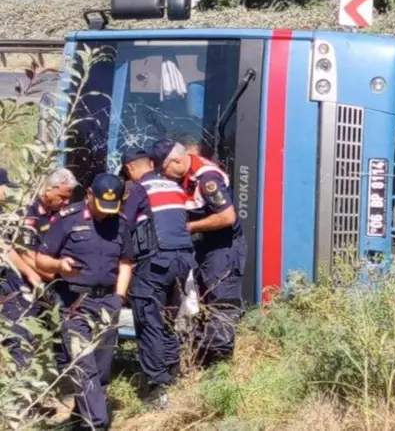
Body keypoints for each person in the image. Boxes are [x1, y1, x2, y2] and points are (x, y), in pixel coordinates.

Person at [35, 173, 134, 431]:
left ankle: (81, 420)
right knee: (84, 365)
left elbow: (125, 262)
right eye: (101, 207)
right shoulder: (67, 219)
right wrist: (59, 265)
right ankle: (98, 424)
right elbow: (41, 260)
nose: (105, 214)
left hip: (107, 304)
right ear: (90, 195)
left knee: (100, 372)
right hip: (74, 304)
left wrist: (119, 297)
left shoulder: (120, 222)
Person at [151, 139, 245, 368]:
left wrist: (190, 228)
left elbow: (227, 217)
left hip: (224, 247)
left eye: (165, 169)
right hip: (206, 247)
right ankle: (202, 362)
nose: (166, 175)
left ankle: (219, 368)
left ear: (177, 161)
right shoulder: (185, 175)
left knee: (220, 303)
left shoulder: (206, 178)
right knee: (202, 301)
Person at [120, 147, 195, 407]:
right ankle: (172, 373)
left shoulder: (139, 190)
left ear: (129, 169)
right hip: (183, 262)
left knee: (148, 319)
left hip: (155, 263)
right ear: (152, 163)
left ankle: (157, 387)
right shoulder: (174, 186)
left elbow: (124, 226)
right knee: (168, 319)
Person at [2, 168, 78, 374]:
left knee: (64, 335)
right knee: (21, 339)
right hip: (20, 285)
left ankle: (65, 385)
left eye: (68, 198)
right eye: (62, 196)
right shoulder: (25, 209)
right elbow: (13, 248)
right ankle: (22, 398)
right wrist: (36, 273)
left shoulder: (63, 215)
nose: (65, 202)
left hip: (53, 284)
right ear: (47, 190)